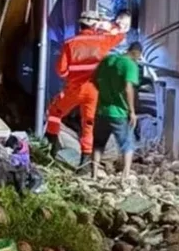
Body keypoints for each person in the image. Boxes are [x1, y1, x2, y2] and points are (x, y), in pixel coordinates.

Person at [44, 11, 131, 168]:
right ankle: (85, 163)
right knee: (89, 124)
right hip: (95, 90)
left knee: (54, 112)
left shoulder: (70, 43)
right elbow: (120, 35)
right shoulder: (103, 40)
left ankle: (50, 147)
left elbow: (61, 71)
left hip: (74, 89)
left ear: (80, 25)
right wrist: (112, 24)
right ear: (95, 25)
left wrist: (73, 75)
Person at [92, 41, 143, 180]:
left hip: (102, 111)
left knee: (98, 144)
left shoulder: (107, 60)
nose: (138, 59)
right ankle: (125, 176)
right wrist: (132, 111)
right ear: (136, 53)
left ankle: (94, 175)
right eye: (138, 57)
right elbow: (128, 88)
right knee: (127, 144)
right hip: (119, 113)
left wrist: (104, 94)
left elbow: (94, 80)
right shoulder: (130, 65)